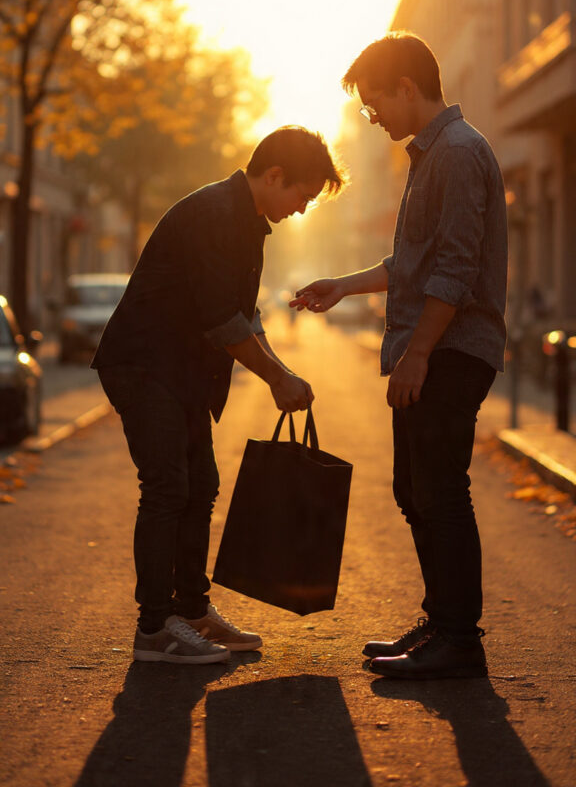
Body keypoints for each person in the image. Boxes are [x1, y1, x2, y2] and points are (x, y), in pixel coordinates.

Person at [292, 33, 507, 679]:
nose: (373, 115)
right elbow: (410, 264)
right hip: (428, 348)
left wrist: (417, 353)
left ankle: (459, 639)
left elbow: (456, 268)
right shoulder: (429, 157)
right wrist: (345, 286)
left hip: (451, 350)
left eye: (374, 102)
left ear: (407, 89)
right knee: (413, 489)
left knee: (440, 491)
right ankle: (442, 621)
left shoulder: (461, 155)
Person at [92, 126, 344, 665]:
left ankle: (191, 611)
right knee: (167, 487)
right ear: (274, 176)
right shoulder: (213, 214)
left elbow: (242, 317)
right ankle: (155, 629)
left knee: (200, 485)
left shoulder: (248, 224)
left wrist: (281, 369)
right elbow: (219, 319)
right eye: (302, 195)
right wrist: (278, 379)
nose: (302, 209)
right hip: (143, 364)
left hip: (182, 370)